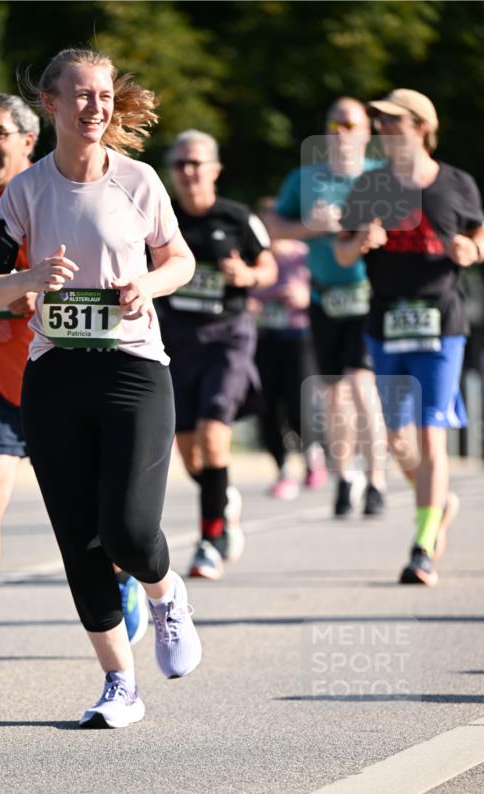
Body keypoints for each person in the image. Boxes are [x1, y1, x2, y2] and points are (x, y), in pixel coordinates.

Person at [0, 48, 202, 727]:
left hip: (133, 370)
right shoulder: (24, 192)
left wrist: (145, 286)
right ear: (51, 105)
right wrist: (28, 281)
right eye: (80, 95)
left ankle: (163, 594)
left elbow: (179, 259)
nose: (94, 106)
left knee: (127, 530)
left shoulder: (138, 182)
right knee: (79, 538)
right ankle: (119, 684)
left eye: (102, 95)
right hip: (56, 376)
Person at [0, 93, 150, 676]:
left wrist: (35, 292)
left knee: (98, 509)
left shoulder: (51, 195)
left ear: (28, 139)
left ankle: (126, 581)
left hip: (59, 375)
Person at [336, 89, 484, 584]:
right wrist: (362, 240)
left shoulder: (454, 183)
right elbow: (343, 254)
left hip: (441, 325)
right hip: (386, 323)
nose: (383, 129)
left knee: (430, 436)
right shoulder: (371, 185)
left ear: (422, 126)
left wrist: (473, 248)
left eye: (393, 121)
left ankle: (422, 545)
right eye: (379, 121)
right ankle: (439, 501)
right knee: (400, 441)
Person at [157, 130, 277, 580]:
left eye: (197, 163)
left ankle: (211, 539)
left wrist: (246, 273)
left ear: (215, 170)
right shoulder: (161, 217)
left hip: (228, 336)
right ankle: (221, 496)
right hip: (176, 340)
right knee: (189, 451)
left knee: (212, 434)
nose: (189, 172)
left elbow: (268, 266)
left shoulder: (238, 217)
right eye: (181, 164)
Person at [268, 98, 387, 517]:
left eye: (350, 124)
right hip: (322, 297)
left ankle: (376, 481)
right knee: (334, 396)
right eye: (333, 124)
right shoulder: (306, 178)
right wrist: (310, 227)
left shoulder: (381, 178)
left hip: (369, 296)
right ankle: (346, 477)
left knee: (362, 386)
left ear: (366, 132)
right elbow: (272, 226)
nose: (341, 133)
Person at [252, 198, 327, 498]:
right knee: (266, 406)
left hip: (299, 337)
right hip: (264, 338)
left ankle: (312, 455)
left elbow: (324, 288)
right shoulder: (255, 255)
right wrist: (252, 301)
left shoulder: (304, 254)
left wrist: (306, 296)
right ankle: (282, 469)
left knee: (300, 404)